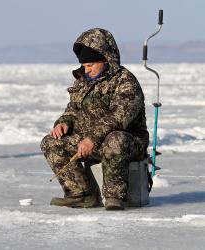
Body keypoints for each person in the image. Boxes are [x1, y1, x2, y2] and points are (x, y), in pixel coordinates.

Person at [40, 28, 149, 210]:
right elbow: (73, 109)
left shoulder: (126, 81)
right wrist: (63, 122)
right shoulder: (83, 81)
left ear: (106, 60)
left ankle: (115, 196)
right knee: (51, 142)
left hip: (128, 142)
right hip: (91, 141)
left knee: (114, 139)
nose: (87, 70)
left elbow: (119, 117)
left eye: (91, 65)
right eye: (84, 66)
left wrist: (92, 138)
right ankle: (80, 194)